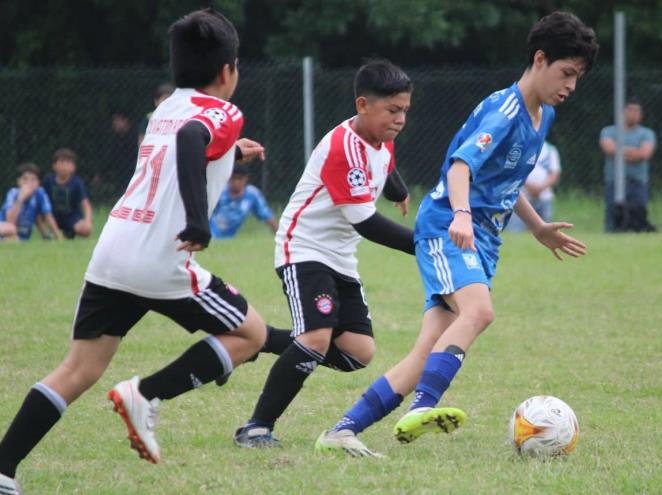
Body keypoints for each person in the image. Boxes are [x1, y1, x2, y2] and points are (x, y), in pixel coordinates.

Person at [0, 9, 269, 495]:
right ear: (228, 70)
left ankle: (1, 469)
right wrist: (198, 219)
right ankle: (144, 394)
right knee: (250, 333)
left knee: (77, 369)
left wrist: (231, 153)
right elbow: (193, 141)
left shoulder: (165, 108)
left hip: (113, 250)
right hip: (160, 262)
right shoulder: (222, 112)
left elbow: (182, 145)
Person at [315, 11, 597, 457]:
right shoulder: (505, 110)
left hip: (482, 238)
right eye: (566, 73)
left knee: (425, 353)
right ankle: (424, 407)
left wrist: (538, 226)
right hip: (449, 225)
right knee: (479, 311)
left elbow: (507, 180)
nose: (570, 86)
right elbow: (462, 165)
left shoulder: (542, 118)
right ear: (539, 59)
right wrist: (462, 214)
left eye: (577, 78)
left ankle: (341, 431)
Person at [233, 58, 415, 449]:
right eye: (392, 110)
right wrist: (423, 245)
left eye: (404, 111)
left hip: (341, 257)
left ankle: (257, 339)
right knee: (315, 339)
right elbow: (365, 221)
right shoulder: (342, 148)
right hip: (304, 248)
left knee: (358, 353)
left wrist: (398, 191)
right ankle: (257, 428)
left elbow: (383, 163)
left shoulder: (380, 135)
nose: (399, 119)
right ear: (362, 105)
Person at [599, 98, 657, 232]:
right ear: (623, 112)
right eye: (630, 110)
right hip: (614, 180)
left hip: (637, 181)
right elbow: (609, 149)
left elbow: (645, 154)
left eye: (637, 111)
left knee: (639, 213)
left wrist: (620, 150)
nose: (634, 114)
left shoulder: (647, 134)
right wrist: (634, 151)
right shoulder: (609, 131)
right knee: (613, 215)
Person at [506, 140, 562, 231]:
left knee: (546, 230)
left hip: (544, 196)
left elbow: (555, 173)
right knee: (515, 230)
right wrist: (528, 185)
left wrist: (540, 188)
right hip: (521, 196)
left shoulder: (550, 149)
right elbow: (512, 171)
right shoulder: (518, 147)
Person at [210, 162, 277, 237]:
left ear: (246, 178)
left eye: (240, 178)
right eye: (233, 178)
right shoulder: (219, 191)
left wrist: (280, 236)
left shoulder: (252, 195)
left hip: (228, 239)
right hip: (210, 234)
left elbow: (267, 215)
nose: (236, 182)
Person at [0, 163, 63, 242]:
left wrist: (57, 237)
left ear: (38, 183)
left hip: (21, 238)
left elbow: (47, 216)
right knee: (11, 229)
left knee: (16, 238)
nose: (29, 183)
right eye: (25, 179)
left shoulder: (40, 193)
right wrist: (20, 199)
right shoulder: (13, 193)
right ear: (18, 181)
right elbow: (10, 222)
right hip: (4, 229)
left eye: (33, 179)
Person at [42, 148, 93, 238]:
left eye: (68, 163)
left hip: (72, 218)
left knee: (86, 231)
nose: (64, 166)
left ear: (73, 167)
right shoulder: (48, 181)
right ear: (54, 165)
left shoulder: (77, 183)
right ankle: (52, 233)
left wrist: (88, 222)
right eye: (61, 162)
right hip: (53, 218)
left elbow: (85, 204)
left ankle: (68, 232)